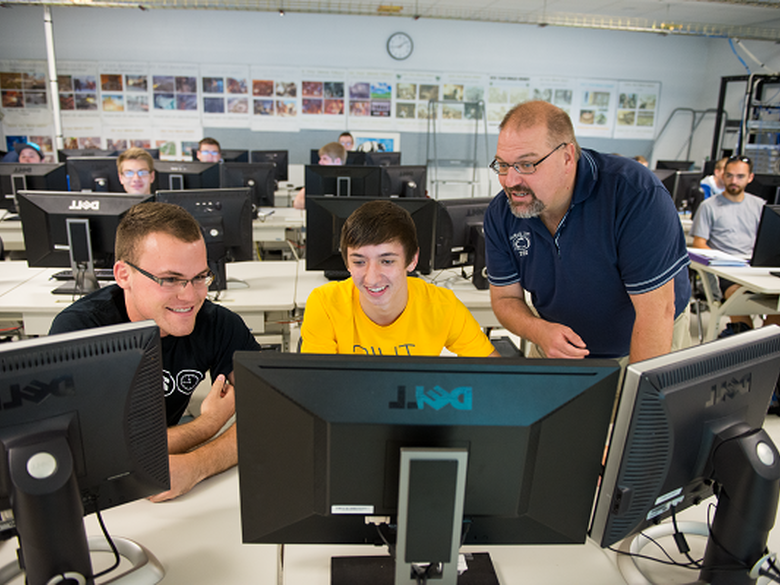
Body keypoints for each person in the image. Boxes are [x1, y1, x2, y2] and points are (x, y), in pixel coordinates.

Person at [49, 202, 261, 502]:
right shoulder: (81, 331)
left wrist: (198, 465)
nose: (190, 296)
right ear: (123, 275)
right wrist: (207, 426)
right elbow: (89, 455)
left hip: (168, 489)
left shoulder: (219, 324)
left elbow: (269, 416)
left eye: (200, 276)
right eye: (170, 279)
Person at [484, 100, 691, 366]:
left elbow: (656, 314)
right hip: (557, 348)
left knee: (636, 407)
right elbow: (504, 298)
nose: (510, 181)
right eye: (502, 165)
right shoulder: (503, 212)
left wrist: (638, 397)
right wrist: (539, 331)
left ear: (567, 157)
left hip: (646, 345)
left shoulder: (634, 193)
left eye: (527, 165)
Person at [301, 200, 499, 357]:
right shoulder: (325, 303)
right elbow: (316, 389)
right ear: (347, 263)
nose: (372, 278)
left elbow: (494, 375)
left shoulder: (442, 305)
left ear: (412, 260)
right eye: (359, 262)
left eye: (387, 261)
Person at [691, 154, 775, 336]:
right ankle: (744, 336)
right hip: (725, 271)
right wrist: (726, 260)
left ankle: (766, 342)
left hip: (754, 267)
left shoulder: (759, 205)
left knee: (775, 298)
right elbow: (699, 243)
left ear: (750, 178)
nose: (733, 181)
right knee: (740, 294)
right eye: (729, 175)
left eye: (740, 176)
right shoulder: (709, 206)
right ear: (722, 175)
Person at [292, 141, 347, 210]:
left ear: (337, 161)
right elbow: (297, 203)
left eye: (325, 159)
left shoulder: (351, 181)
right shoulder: (318, 179)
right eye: (320, 159)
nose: (320, 162)